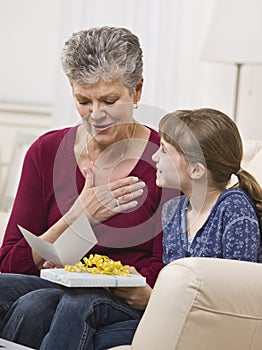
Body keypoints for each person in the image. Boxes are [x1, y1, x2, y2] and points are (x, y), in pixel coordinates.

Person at [0, 26, 175, 349]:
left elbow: (165, 267)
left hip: (112, 303)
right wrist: (80, 214)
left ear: (136, 91)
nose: (96, 115)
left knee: (34, 307)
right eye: (83, 100)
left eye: (109, 100)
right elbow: (10, 262)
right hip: (47, 286)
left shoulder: (166, 160)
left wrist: (92, 275)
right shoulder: (46, 152)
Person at [152, 108, 261, 264]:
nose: (154, 157)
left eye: (164, 150)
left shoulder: (234, 208)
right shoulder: (172, 210)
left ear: (196, 170)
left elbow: (239, 284)